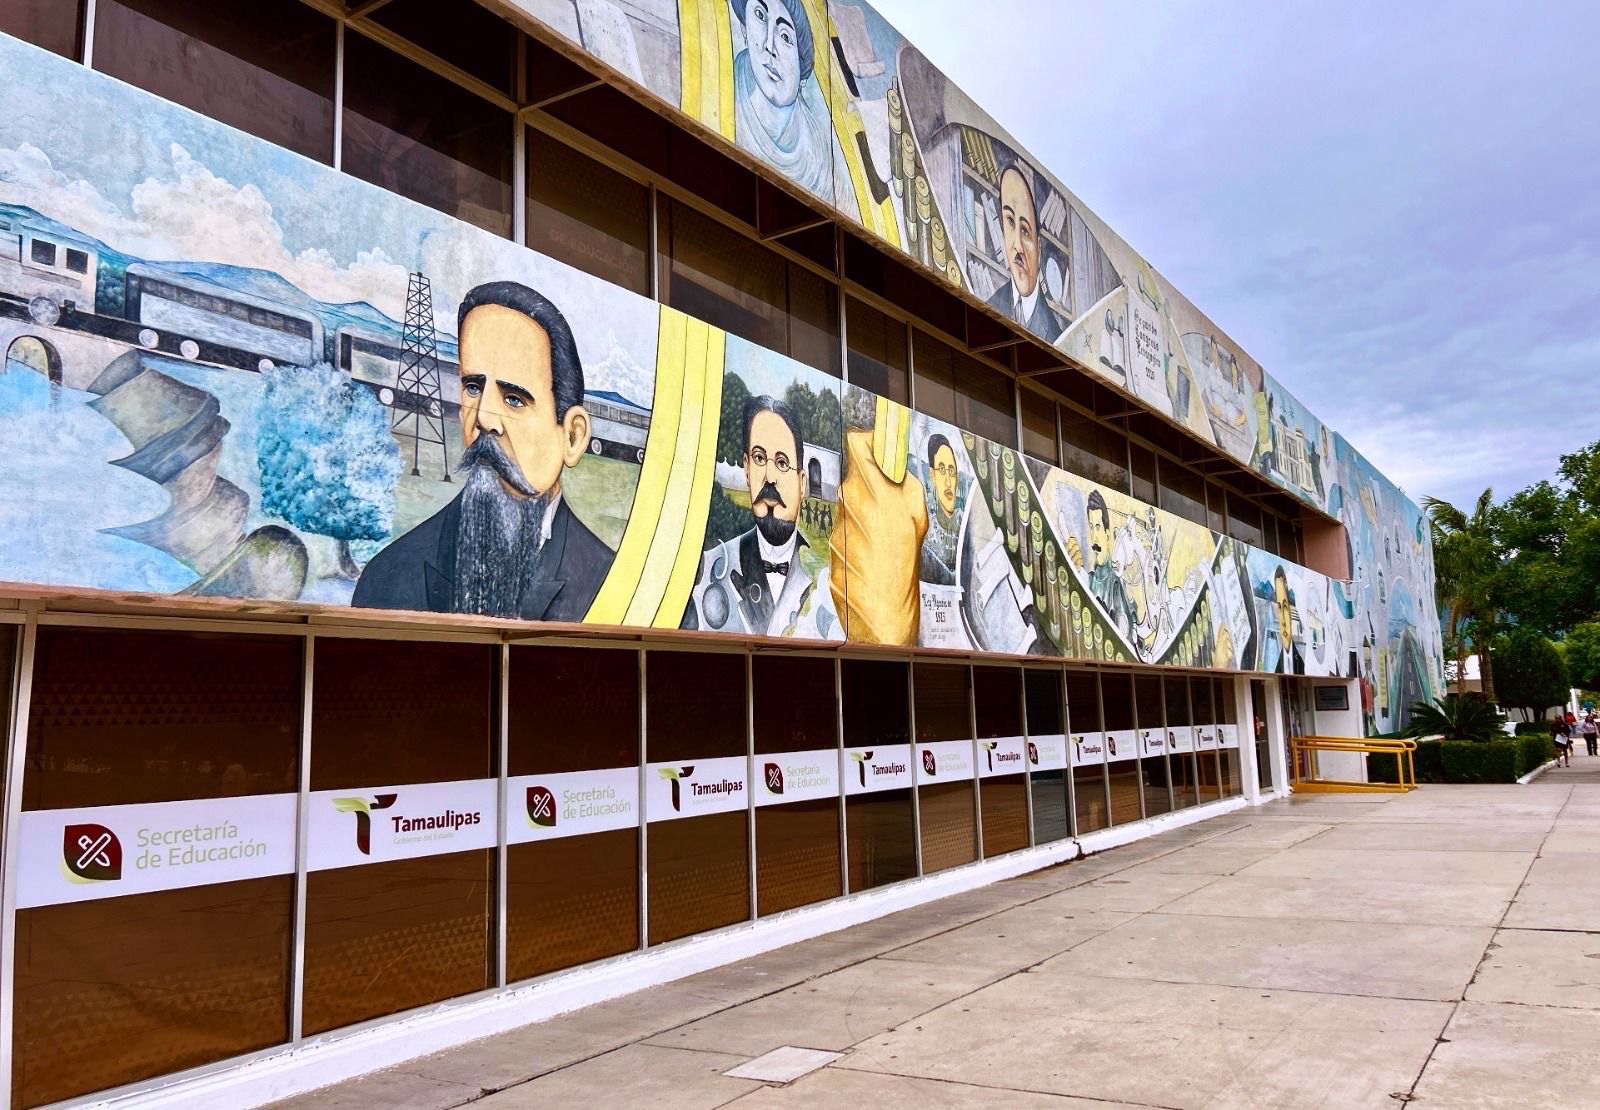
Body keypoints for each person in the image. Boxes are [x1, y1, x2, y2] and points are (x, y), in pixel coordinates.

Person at [353, 281, 613, 622]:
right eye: (473, 388)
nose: (484, 419)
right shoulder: (390, 576)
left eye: (514, 399)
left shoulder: (612, 586)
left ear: (573, 437)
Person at [685, 395, 836, 638]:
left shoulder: (829, 583)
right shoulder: (710, 573)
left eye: (782, 463)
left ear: (801, 483)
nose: (770, 477)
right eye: (759, 458)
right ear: (747, 469)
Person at [984, 165, 1060, 340]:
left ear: (1038, 247)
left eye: (1025, 231)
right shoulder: (988, 307)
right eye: (1010, 222)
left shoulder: (1056, 338)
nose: (1017, 246)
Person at [918, 433, 961, 585]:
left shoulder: (967, 524)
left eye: (951, 471)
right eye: (941, 469)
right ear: (932, 475)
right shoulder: (927, 533)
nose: (948, 482)